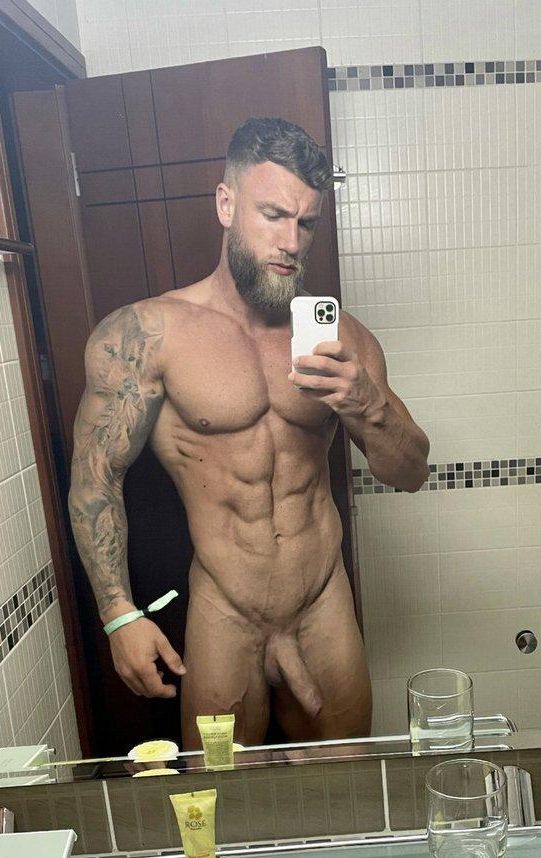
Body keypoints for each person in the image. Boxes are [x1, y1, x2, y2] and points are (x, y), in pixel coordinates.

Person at [68, 116, 430, 748]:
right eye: (273, 215)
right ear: (226, 204)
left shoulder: (344, 338)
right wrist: (118, 614)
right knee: (223, 796)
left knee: (342, 789)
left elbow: (411, 473)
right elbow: (96, 479)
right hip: (224, 611)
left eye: (306, 223)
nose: (291, 242)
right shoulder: (147, 334)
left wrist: (367, 403)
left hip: (322, 601)